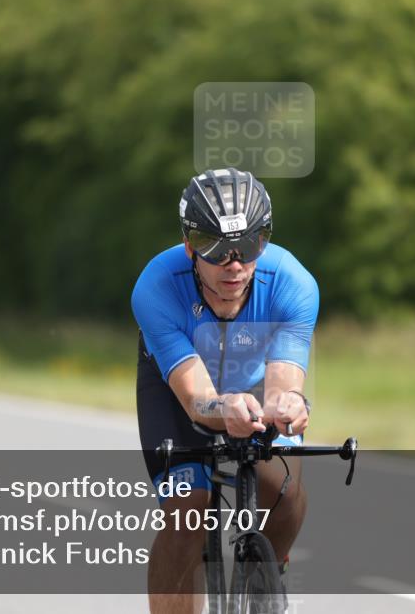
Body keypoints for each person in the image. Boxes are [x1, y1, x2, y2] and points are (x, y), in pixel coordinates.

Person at [131, 168, 319, 614]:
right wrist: (224, 406)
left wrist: (287, 403)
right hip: (178, 391)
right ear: (189, 246)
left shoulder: (293, 283)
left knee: (285, 487)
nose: (234, 264)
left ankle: (271, 570)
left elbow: (283, 385)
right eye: (217, 249)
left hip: (252, 381)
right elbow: (196, 399)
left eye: (250, 245)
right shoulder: (156, 287)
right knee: (186, 512)